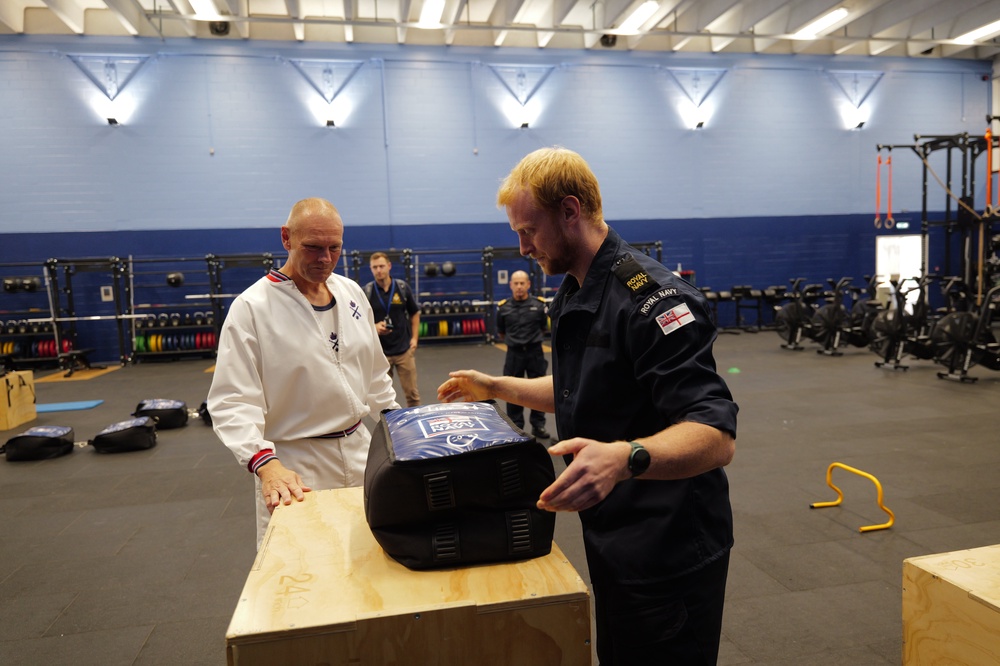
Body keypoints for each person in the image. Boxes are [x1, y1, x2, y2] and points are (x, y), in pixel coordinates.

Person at [438, 147, 738, 664]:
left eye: (528, 230)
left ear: (570, 211)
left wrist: (626, 457)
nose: (522, 247)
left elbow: (715, 435)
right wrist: (496, 386)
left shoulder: (654, 302)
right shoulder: (577, 289)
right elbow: (582, 387)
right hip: (615, 536)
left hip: (668, 548)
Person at [208, 197, 399, 548]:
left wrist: (399, 427)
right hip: (295, 464)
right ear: (286, 238)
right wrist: (266, 466)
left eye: (334, 248)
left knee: (370, 556)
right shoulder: (252, 308)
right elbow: (232, 400)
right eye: (312, 247)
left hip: (361, 450)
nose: (324, 259)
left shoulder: (352, 293)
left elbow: (374, 373)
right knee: (300, 572)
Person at [495, 270, 550, 439]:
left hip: (535, 353)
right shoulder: (503, 308)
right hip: (514, 354)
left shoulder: (539, 306)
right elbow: (501, 332)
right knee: (512, 390)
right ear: (511, 285)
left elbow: (543, 327)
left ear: (528, 284)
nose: (519, 287)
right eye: (516, 283)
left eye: (522, 283)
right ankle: (516, 426)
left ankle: (538, 426)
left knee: (539, 390)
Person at [363, 252, 421, 407]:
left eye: (381, 266)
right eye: (375, 267)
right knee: (381, 399)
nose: (379, 270)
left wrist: (414, 338)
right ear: (371, 269)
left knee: (413, 396)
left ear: (389, 266)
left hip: (403, 351)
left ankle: (416, 428)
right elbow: (358, 321)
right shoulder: (366, 292)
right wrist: (374, 327)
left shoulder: (402, 288)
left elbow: (415, 313)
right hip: (380, 354)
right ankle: (387, 429)